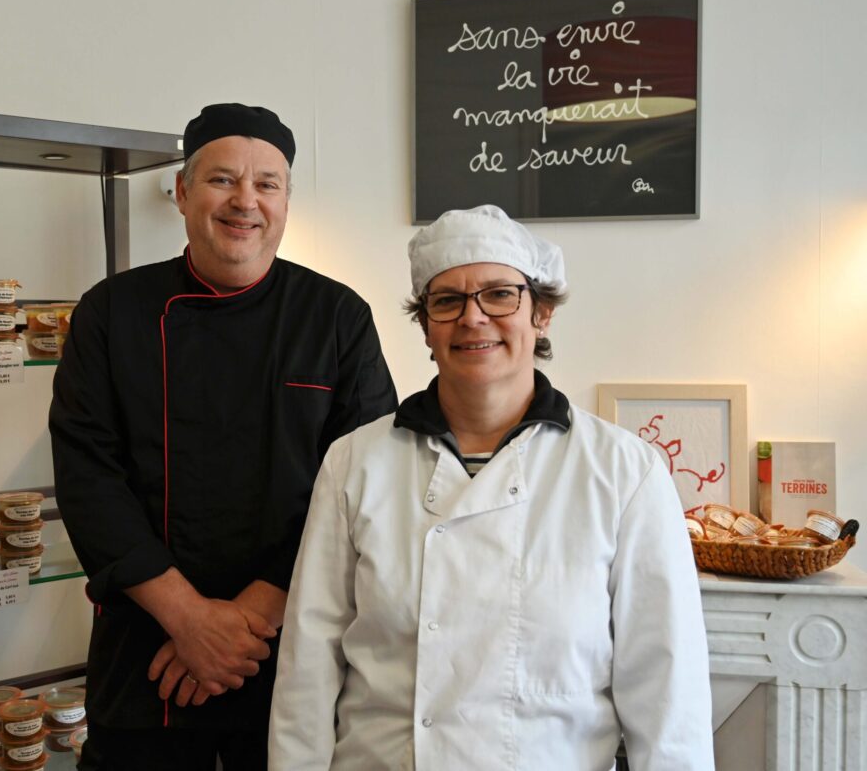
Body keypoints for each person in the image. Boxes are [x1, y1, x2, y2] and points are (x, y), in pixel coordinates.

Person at [268, 205, 714, 770]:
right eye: (447, 300)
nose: (473, 318)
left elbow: (667, 688)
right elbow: (308, 666)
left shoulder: (624, 471)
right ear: (426, 325)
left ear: (541, 313)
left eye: (500, 295)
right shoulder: (356, 462)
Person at [49, 103, 398, 770]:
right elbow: (89, 476)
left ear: (287, 200)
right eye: (221, 180)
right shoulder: (111, 312)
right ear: (181, 192)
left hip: (291, 643)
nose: (246, 201)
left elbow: (364, 481)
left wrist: (242, 623)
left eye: (267, 183)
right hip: (148, 649)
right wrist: (188, 619)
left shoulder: (336, 318)